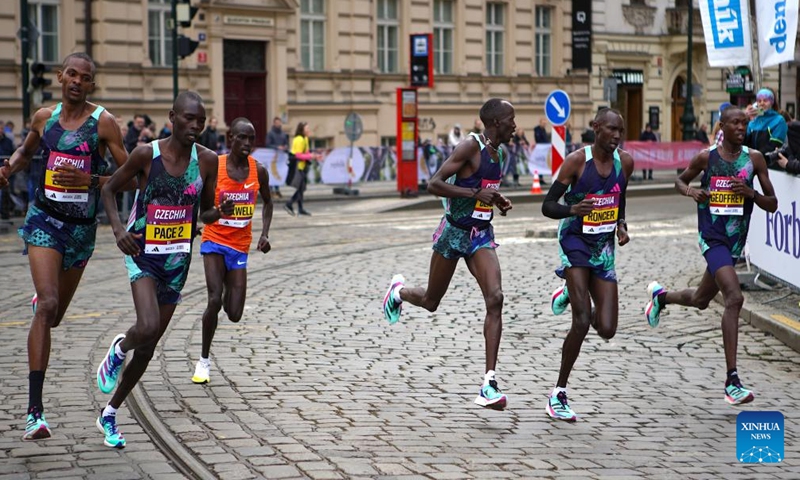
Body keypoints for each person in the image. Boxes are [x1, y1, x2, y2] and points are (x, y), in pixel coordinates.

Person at [0, 52, 129, 441]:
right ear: (60, 77)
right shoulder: (45, 118)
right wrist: (8, 168)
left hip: (80, 230)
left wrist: (90, 179)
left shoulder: (103, 124)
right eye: (71, 73)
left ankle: (44, 301)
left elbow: (132, 178)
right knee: (50, 304)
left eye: (85, 77)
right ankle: (34, 413)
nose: (76, 80)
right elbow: (26, 151)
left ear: (91, 84)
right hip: (43, 219)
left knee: (52, 316)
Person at [94, 91, 222, 448]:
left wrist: (219, 212)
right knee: (146, 326)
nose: (196, 125)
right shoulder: (146, 154)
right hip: (142, 253)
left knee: (149, 348)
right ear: (172, 117)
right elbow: (110, 190)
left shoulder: (208, 161)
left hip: (177, 260)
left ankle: (110, 412)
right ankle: (120, 346)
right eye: (189, 118)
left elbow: (205, 213)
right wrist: (118, 230)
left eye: (201, 119)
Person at [382, 98, 515, 410]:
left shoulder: (500, 152)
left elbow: (482, 188)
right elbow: (434, 184)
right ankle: (399, 292)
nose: (515, 125)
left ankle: (489, 383)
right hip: (454, 232)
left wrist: (496, 199)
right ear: (496, 123)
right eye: (511, 119)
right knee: (430, 302)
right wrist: (474, 194)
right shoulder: (471, 147)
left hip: (480, 235)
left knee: (495, 298)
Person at [644, 105, 777, 405]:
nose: (741, 128)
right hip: (712, 238)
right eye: (735, 123)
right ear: (722, 126)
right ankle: (732, 380)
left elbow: (773, 203)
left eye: (744, 123)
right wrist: (693, 193)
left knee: (701, 300)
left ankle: (660, 298)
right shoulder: (707, 157)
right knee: (734, 297)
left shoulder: (754, 160)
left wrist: (751, 194)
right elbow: (680, 181)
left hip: (734, 244)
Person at [542, 108, 633, 421]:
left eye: (620, 131)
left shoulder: (626, 163)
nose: (617, 136)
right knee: (581, 321)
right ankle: (558, 393)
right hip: (575, 244)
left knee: (607, 329)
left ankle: (569, 292)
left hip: (603, 248)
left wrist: (621, 224)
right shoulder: (577, 162)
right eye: (611, 130)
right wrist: (573, 209)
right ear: (596, 128)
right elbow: (547, 206)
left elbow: (620, 197)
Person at [191, 117, 273, 384]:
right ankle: (203, 361)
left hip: (239, 248)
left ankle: (227, 285)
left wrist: (264, 234)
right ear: (231, 139)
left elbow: (269, 203)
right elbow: (204, 215)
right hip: (214, 241)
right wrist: (219, 211)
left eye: (252, 138)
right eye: (242, 138)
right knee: (214, 300)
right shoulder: (217, 166)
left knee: (235, 314)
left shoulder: (258, 170)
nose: (248, 143)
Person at [284, 122, 318, 216]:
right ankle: (289, 204)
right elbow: (298, 155)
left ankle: (300, 208)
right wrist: (310, 156)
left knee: (301, 188)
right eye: (307, 128)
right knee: (300, 188)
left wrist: (312, 156)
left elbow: (306, 153)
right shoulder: (299, 139)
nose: (308, 130)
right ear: (302, 130)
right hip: (297, 166)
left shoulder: (305, 139)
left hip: (302, 166)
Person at [745, 87, 787, 156]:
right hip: (753, 162)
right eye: (759, 101)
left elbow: (774, 145)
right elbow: (745, 144)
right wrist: (746, 118)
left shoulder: (779, 120)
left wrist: (755, 157)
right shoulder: (753, 122)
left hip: (771, 163)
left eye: (765, 100)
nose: (762, 103)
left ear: (771, 102)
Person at [265, 116, 289, 199]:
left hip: (280, 158)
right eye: (277, 123)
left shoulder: (283, 134)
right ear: (274, 123)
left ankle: (277, 189)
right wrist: (277, 147)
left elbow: (286, 143)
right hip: (272, 158)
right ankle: (270, 190)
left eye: (279, 122)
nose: (278, 124)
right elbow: (267, 144)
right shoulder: (270, 133)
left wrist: (285, 147)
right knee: (272, 173)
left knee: (279, 173)